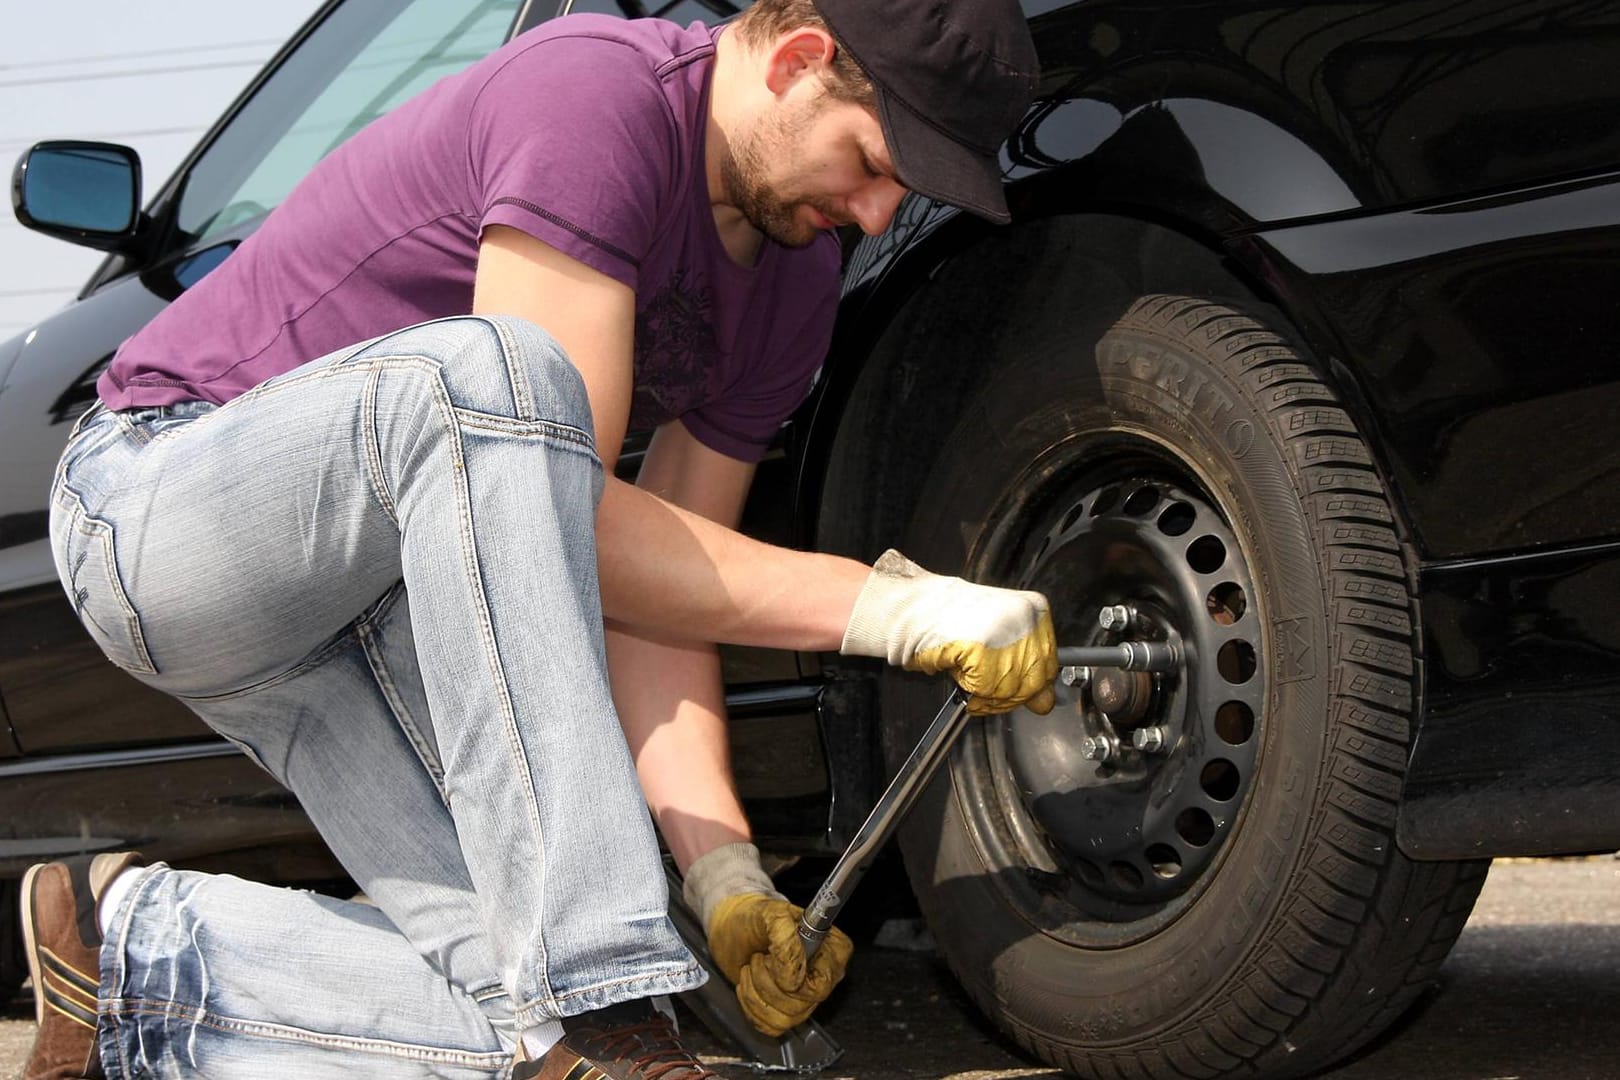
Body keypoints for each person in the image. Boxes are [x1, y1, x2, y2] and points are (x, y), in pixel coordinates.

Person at [24, 0, 1048, 1077]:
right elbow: (554, 490)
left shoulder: (791, 279)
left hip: (372, 607)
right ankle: (612, 999)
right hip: (163, 502)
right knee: (502, 379)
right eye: (876, 161)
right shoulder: (597, 95)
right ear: (798, 62)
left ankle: (127, 955)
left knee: (528, 1012)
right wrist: (893, 608)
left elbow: (661, 585)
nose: (880, 215)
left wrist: (726, 877)